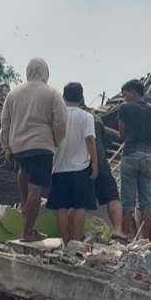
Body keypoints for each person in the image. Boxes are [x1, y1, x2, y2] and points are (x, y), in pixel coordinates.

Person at [0, 57, 67, 241]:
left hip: (19, 147)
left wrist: (6, 146)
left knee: (25, 172)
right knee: (36, 189)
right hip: (41, 146)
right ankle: (28, 232)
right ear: (46, 73)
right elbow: (61, 121)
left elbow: (5, 122)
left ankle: (24, 206)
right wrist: (56, 140)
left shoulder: (13, 94)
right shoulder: (52, 93)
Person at [117, 79, 151, 240]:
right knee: (147, 203)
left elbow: (122, 134)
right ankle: (144, 241)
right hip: (148, 158)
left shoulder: (125, 108)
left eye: (125, 93)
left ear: (133, 92)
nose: (124, 97)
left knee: (127, 201)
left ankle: (126, 238)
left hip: (131, 155)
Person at [47, 82, 98, 242]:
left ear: (63, 96)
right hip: (81, 167)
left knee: (61, 206)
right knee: (80, 206)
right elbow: (90, 140)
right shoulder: (86, 117)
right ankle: (76, 241)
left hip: (58, 167)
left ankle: (64, 240)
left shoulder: (55, 115)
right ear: (81, 97)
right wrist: (95, 164)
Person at [89, 109, 127, 240]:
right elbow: (106, 140)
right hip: (101, 163)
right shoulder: (96, 119)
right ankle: (118, 230)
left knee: (77, 202)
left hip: (79, 163)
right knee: (113, 197)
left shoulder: (67, 117)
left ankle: (73, 235)